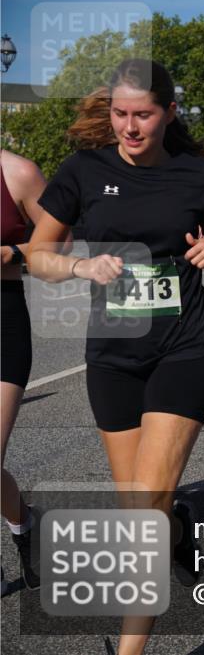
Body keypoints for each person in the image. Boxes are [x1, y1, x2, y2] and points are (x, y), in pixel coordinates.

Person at [27, 59, 204, 654]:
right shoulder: (83, 170)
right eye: (120, 114)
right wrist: (78, 265)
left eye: (143, 115)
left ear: (168, 113)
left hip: (184, 345)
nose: (129, 126)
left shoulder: (194, 173)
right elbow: (37, 254)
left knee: (143, 513)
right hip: (114, 355)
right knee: (139, 512)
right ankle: (179, 531)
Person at [1, 151, 48, 593]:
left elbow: (60, 241)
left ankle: (23, 528)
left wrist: (13, 251)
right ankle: (25, 524)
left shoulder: (17, 173)